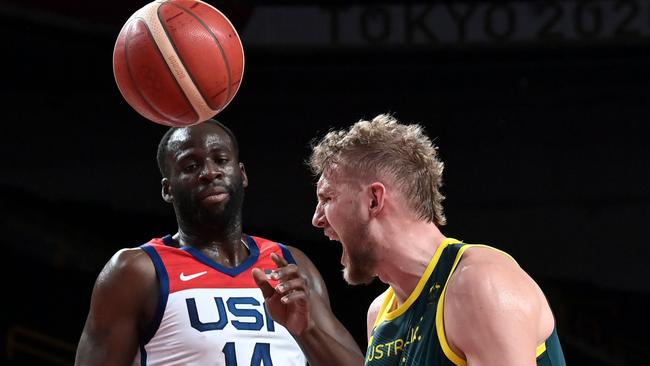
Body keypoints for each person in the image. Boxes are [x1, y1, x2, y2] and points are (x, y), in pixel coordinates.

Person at [74, 119, 364, 366]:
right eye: (190, 165)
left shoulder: (290, 263)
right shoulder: (136, 271)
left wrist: (307, 329)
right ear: (167, 189)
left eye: (221, 160)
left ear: (243, 174)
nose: (209, 172)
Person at [304, 113, 566, 365]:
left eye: (327, 198)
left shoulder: (480, 285)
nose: (317, 219)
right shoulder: (380, 314)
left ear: (374, 200)